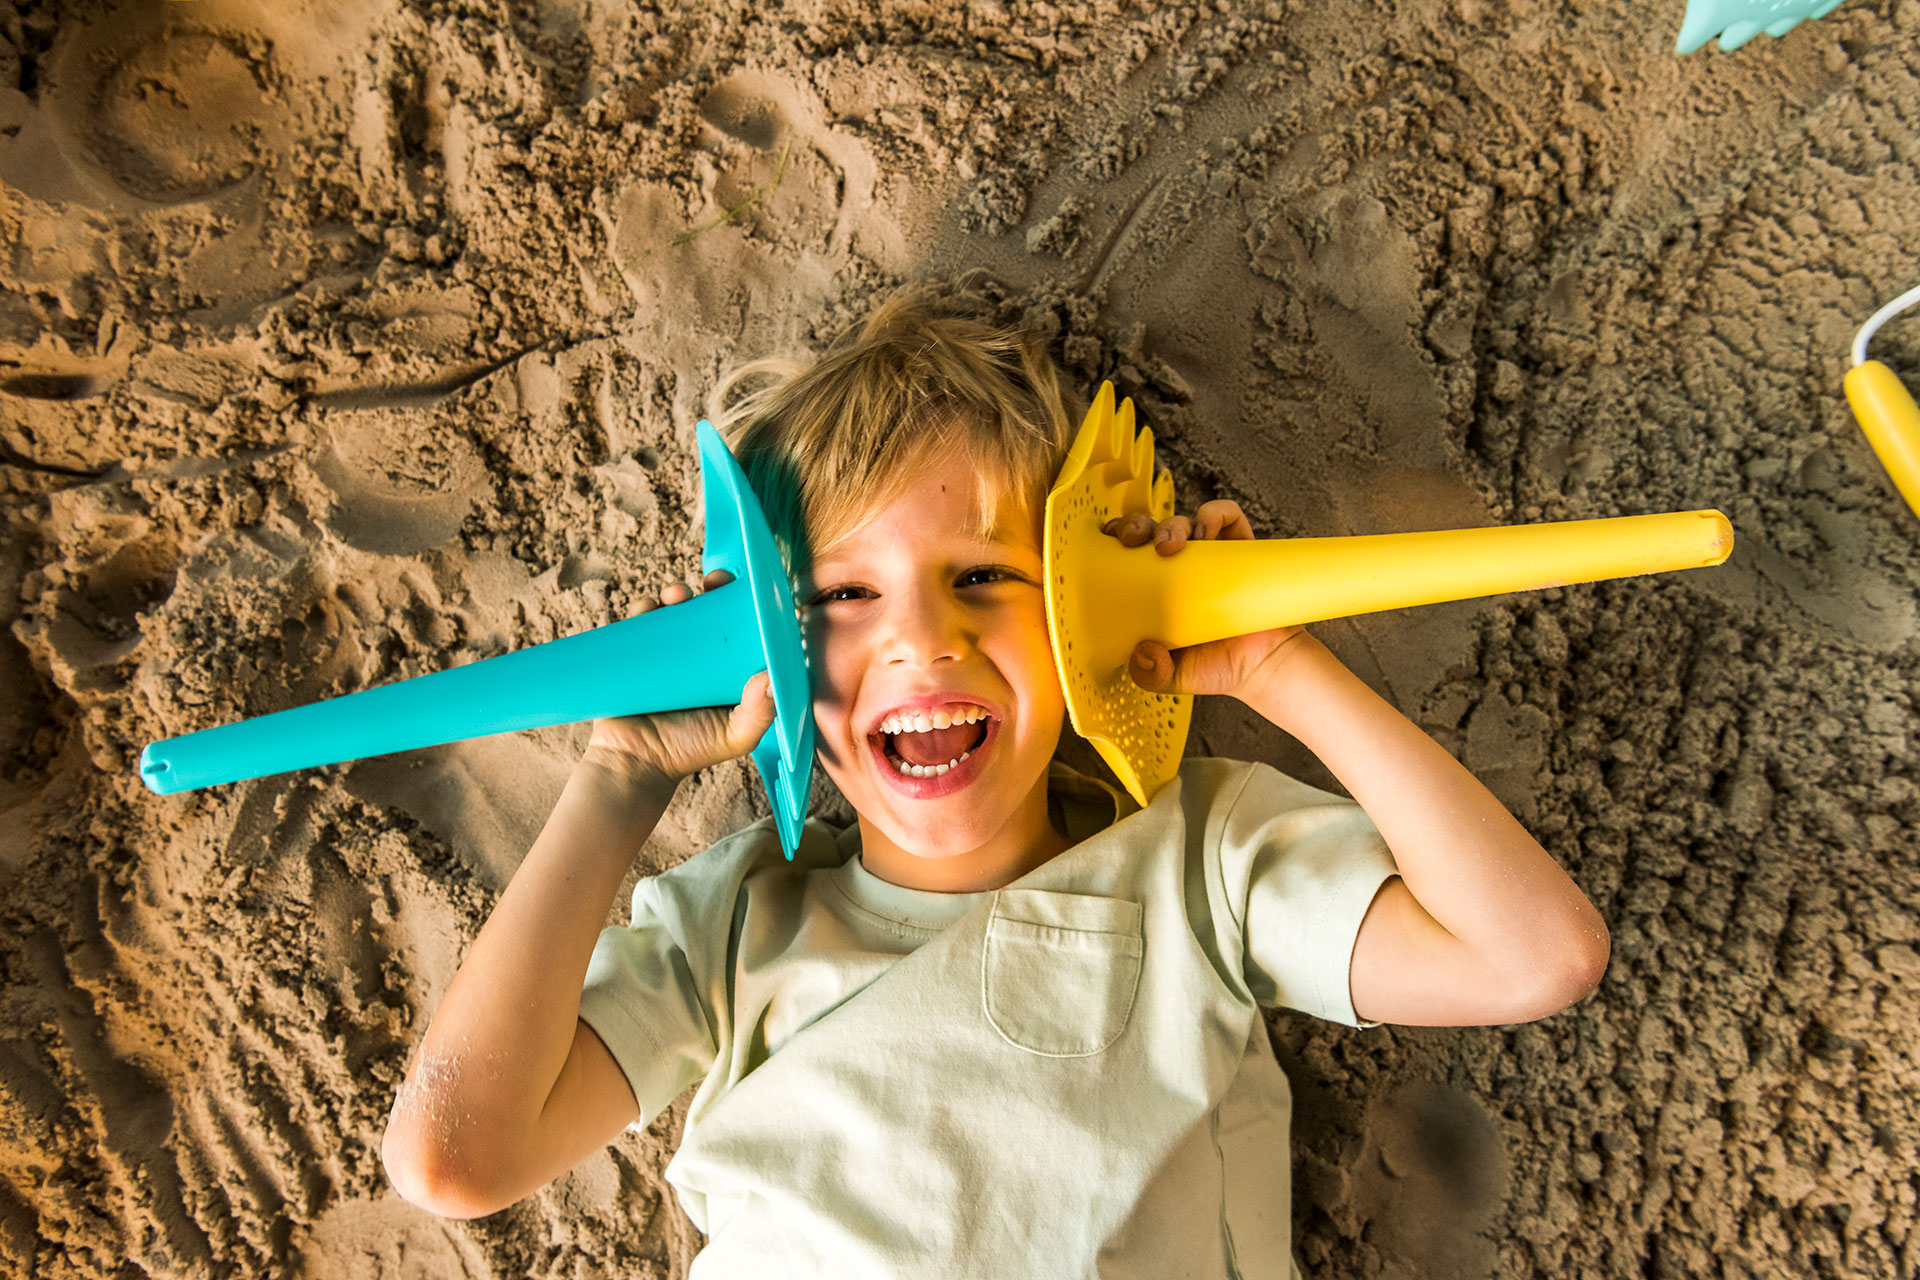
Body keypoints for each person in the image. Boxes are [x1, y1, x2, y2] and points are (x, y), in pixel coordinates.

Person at [380, 281, 1610, 1277]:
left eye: (981, 577)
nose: (923, 640)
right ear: (772, 642)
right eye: (842, 597)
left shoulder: (1206, 863)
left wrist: (1276, 665)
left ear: (1080, 605)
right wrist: (617, 777)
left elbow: (1532, 955)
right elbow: (453, 1155)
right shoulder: (735, 921)